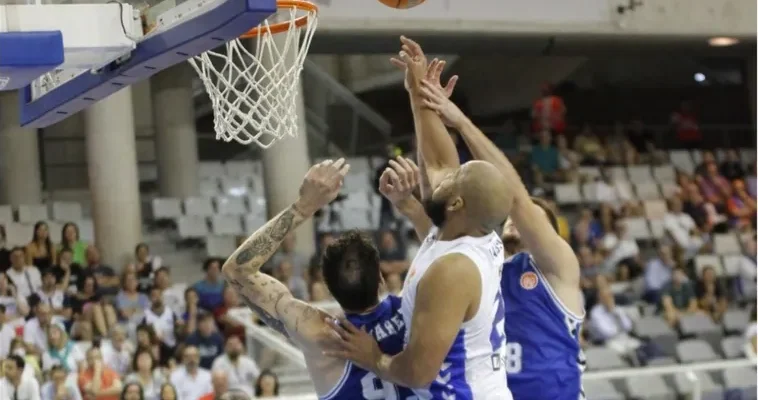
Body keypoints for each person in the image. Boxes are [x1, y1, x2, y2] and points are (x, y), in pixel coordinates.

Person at [329, 37, 513, 399]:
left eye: (457, 178)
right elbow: (440, 162)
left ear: (458, 204)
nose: (449, 171)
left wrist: (374, 357)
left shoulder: (452, 271)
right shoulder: (470, 229)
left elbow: (417, 372)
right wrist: (418, 95)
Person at [401, 41, 585, 399]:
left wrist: (458, 120)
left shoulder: (557, 267)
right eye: (508, 220)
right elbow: (442, 186)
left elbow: (512, 195)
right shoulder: (481, 257)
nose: (514, 222)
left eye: (530, 218)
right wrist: (423, 101)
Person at [221, 158, 416, 399]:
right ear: (381, 278)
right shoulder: (414, 310)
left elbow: (236, 270)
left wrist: (304, 206)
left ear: (329, 288)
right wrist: (409, 204)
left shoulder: (318, 334)